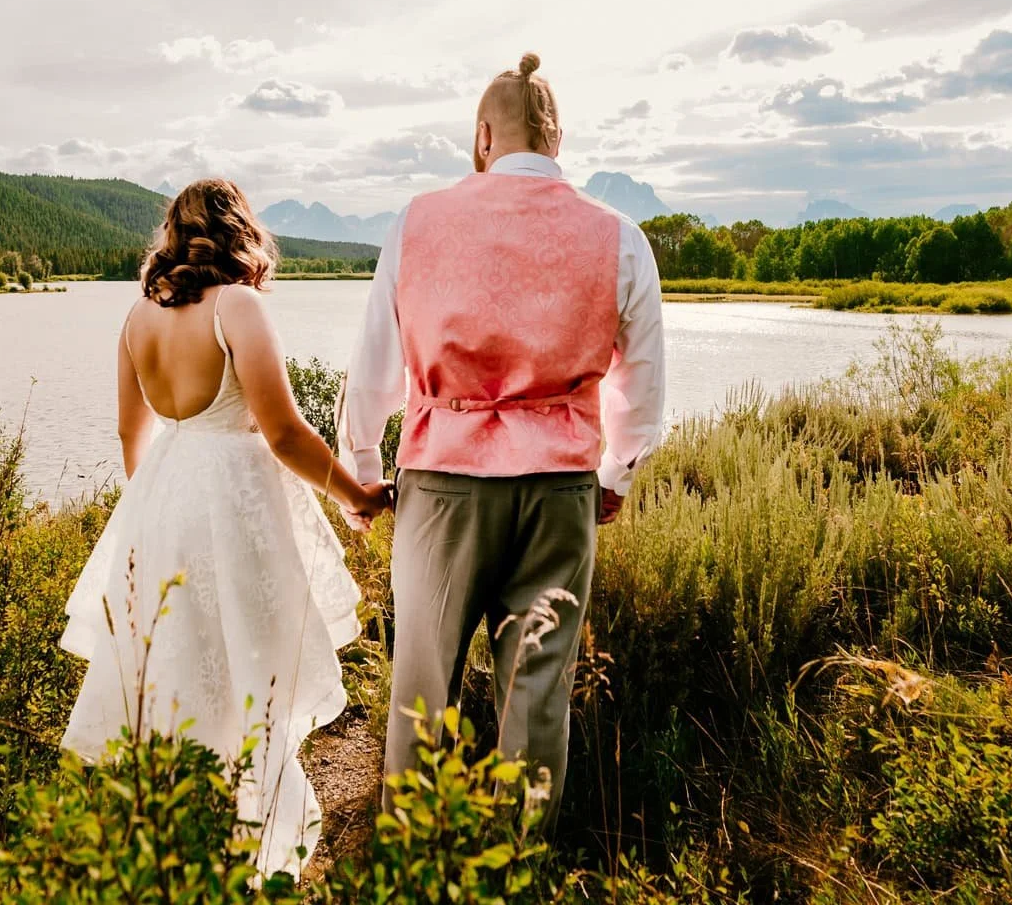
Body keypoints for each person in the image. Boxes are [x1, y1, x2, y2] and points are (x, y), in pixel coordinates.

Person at [342, 53, 666, 823]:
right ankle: (519, 869)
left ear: (484, 135)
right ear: (557, 137)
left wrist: (361, 467)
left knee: (422, 691)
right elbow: (642, 383)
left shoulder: (417, 221)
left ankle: (416, 866)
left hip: (443, 488)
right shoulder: (619, 237)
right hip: (559, 492)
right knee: (537, 694)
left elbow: (375, 367)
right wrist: (615, 474)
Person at [59, 178, 391, 877]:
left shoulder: (135, 318)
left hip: (164, 502)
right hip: (239, 511)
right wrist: (352, 494)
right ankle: (255, 848)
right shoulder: (238, 306)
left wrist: (155, 516)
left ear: (173, 236)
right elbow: (285, 432)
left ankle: (181, 843)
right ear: (241, 230)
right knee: (254, 670)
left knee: (177, 674)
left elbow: (130, 435)